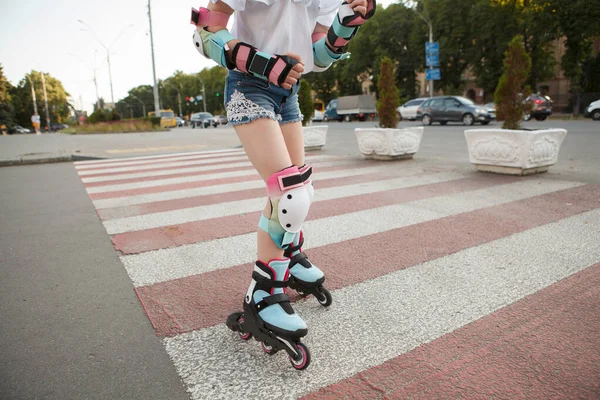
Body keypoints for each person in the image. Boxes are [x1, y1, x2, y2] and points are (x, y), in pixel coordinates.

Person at [191, 0, 375, 369]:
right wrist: (262, 62)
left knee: (300, 192)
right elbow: (206, 30)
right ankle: (263, 293)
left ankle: (286, 259)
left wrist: (345, 25)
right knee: (287, 192)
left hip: (288, 92)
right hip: (250, 87)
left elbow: (317, 55)